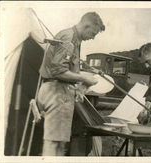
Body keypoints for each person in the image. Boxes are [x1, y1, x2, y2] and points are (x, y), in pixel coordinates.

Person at [37, 12, 105, 156]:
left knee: (59, 144)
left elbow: (67, 69)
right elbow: (58, 71)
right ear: (86, 25)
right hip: (56, 92)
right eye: (93, 33)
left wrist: (83, 80)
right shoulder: (69, 39)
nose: (92, 37)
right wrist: (84, 79)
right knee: (54, 145)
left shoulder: (73, 40)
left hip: (58, 91)